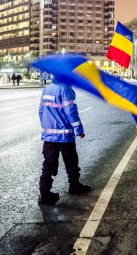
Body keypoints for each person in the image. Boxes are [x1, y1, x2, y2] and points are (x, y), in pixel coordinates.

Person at [38, 77, 91, 205]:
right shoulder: (66, 89)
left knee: (48, 164)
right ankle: (74, 185)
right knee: (71, 161)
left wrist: (46, 128)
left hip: (49, 136)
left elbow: (41, 111)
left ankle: (44, 194)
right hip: (64, 135)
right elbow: (71, 111)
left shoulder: (47, 89)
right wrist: (79, 129)